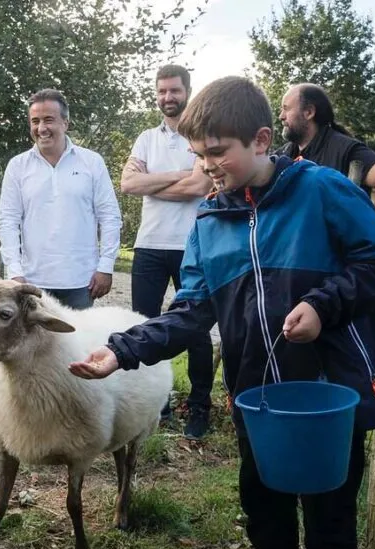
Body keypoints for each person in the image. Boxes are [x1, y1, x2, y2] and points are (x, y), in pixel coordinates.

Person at [70, 76, 375, 549]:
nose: (206, 166)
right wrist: (122, 350)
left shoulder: (321, 189)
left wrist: (321, 304)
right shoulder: (207, 224)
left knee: (330, 527)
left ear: (262, 140)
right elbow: (189, 313)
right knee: (266, 521)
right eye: (198, 155)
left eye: (217, 152)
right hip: (257, 402)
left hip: (326, 398)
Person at [120, 64, 214, 438]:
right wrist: (180, 175)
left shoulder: (199, 135)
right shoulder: (146, 138)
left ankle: (200, 406)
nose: (167, 98)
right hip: (149, 244)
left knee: (197, 329)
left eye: (174, 90)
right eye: (161, 91)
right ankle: (156, 404)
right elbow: (128, 183)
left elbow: (199, 187)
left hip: (192, 243)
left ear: (187, 91)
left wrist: (152, 183)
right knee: (142, 324)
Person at [0, 88, 122, 309]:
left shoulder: (92, 162)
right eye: (35, 121)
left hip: (81, 283)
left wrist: (106, 267)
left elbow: (110, 217)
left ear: (65, 123)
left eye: (49, 120)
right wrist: (14, 273)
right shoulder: (18, 166)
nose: (41, 128)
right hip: (32, 283)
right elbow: (8, 221)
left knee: (78, 344)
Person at [277, 83, 375, 221]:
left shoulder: (344, 148)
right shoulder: (283, 154)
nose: (281, 116)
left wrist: (374, 229)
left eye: (286, 109)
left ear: (309, 112)